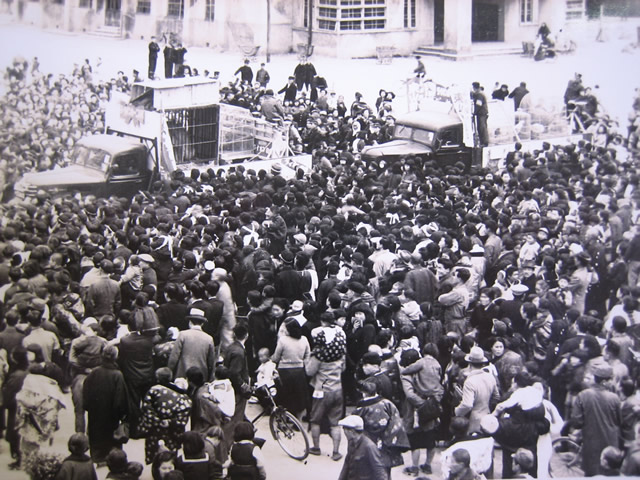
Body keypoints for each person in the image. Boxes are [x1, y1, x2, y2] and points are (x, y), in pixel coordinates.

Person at [567, 362, 622, 476]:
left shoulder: (583, 395)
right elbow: (619, 421)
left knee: (591, 473)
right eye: (610, 379)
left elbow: (576, 422)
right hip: (611, 444)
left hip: (591, 443)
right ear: (604, 381)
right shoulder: (615, 398)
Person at [354, 380, 410, 479]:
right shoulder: (388, 403)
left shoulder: (362, 409)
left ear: (364, 393)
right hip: (388, 443)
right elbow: (397, 423)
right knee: (385, 472)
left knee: (370, 472)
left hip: (370, 444)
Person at [83, 345, 129, 464]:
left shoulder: (94, 372)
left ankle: (97, 457)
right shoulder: (117, 375)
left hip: (95, 412)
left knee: (96, 434)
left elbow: (86, 391)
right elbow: (120, 398)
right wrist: (122, 414)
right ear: (115, 357)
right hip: (111, 414)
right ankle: (111, 458)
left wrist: (87, 406)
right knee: (110, 436)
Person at [138, 367, 192, 464]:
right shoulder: (182, 396)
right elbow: (184, 415)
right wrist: (170, 422)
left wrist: (157, 421)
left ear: (157, 378)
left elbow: (146, 409)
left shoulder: (153, 391)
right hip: (172, 432)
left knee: (155, 456)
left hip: (154, 429)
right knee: (170, 457)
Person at [455, 346, 500, 434]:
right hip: (487, 416)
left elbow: (467, 404)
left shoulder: (470, 381)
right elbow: (496, 397)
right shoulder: (490, 377)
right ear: (483, 363)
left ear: (469, 363)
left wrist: (457, 411)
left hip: (473, 419)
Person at [270, 318, 310, 419]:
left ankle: (283, 420)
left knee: (284, 397)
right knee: (299, 397)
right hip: (299, 371)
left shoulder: (283, 340)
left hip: (284, 372)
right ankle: (298, 421)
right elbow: (307, 355)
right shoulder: (304, 339)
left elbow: (276, 357)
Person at [168, 307, 217, 382]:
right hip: (201, 377)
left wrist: (169, 371)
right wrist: (209, 378)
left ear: (190, 322)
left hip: (182, 375)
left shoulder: (183, 334)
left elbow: (174, 357)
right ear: (202, 323)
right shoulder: (209, 339)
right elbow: (211, 362)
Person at [337, 415, 388, 480]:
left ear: (351, 431)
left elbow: (379, 471)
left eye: (344, 429)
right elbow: (347, 465)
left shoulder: (369, 446)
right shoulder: (351, 443)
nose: (344, 432)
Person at [471, 82, 489, 147]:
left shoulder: (479, 95)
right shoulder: (480, 93)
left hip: (482, 113)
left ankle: (484, 142)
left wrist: (474, 112)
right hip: (482, 113)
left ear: (474, 87)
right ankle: (483, 142)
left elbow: (479, 104)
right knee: (482, 127)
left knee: (482, 128)